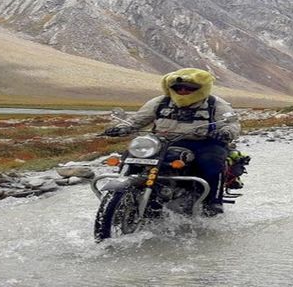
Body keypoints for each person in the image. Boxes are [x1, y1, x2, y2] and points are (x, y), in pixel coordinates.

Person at [103, 68, 241, 215]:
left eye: (189, 88)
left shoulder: (216, 104)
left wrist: (225, 132)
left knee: (212, 163)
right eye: (178, 87)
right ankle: (128, 194)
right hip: (162, 142)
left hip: (203, 143)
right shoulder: (160, 101)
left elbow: (232, 123)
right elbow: (136, 120)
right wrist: (122, 128)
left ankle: (213, 202)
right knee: (131, 156)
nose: (182, 90)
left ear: (201, 88)